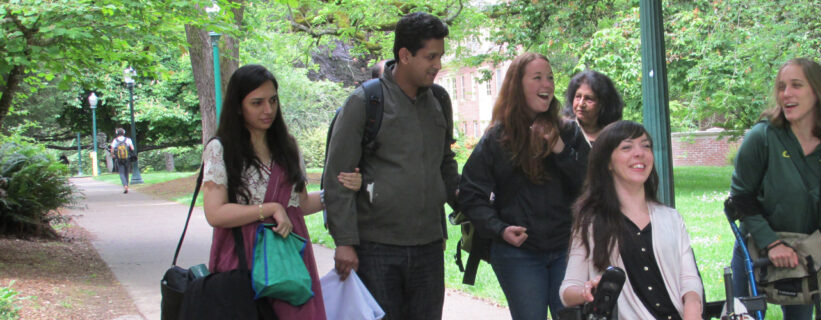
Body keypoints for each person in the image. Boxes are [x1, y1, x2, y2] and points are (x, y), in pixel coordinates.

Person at [323, 11, 459, 320]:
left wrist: (467, 202)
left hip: (428, 246)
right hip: (377, 249)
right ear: (405, 55)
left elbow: (445, 162)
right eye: (431, 56)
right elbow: (337, 176)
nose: (438, 65)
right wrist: (345, 243)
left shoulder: (439, 100)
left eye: (440, 56)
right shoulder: (365, 102)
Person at [459, 52, 590, 320]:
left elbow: (591, 185)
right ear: (517, 85)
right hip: (518, 254)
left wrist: (560, 150)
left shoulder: (568, 132)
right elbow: (471, 193)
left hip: (567, 248)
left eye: (550, 77)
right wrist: (500, 229)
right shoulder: (497, 138)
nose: (547, 84)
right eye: (537, 78)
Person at [728, 58, 821, 320]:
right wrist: (772, 244)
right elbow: (741, 198)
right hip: (757, 248)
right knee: (744, 317)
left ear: (818, 92)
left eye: (796, 85)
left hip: (804, 252)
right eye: (781, 87)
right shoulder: (762, 137)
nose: (786, 94)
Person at [200, 64, 330, 318]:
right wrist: (270, 209)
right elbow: (215, 214)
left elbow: (299, 205)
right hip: (243, 258)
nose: (268, 110)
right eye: (257, 103)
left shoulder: (287, 146)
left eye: (273, 100)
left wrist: (337, 194)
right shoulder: (220, 149)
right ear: (238, 106)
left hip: (289, 261)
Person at [560, 120, 704, 320]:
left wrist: (693, 305)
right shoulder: (590, 222)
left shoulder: (671, 218)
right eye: (627, 147)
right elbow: (567, 291)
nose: (640, 153)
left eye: (645, 146)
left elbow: (689, 280)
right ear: (607, 162)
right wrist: (589, 292)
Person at [561, 70, 624, 144]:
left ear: (602, 103)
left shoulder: (614, 135)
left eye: (588, 99)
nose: (581, 104)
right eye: (578, 97)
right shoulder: (563, 130)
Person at [108, 128, 135, 193]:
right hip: (127, 158)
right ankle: (127, 185)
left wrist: (113, 155)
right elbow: (132, 148)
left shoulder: (115, 140)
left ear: (117, 133)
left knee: (121, 172)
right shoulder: (128, 139)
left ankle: (124, 185)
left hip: (119, 158)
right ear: (123, 133)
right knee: (127, 172)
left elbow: (112, 149)